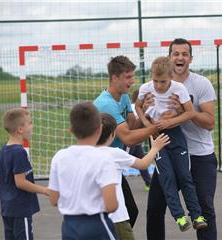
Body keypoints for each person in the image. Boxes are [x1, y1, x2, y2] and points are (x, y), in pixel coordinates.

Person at [145, 38, 219, 240]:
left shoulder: (201, 84)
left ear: (191, 59)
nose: (180, 57)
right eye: (175, 54)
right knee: (154, 209)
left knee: (204, 209)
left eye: (184, 54)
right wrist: (146, 112)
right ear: (169, 58)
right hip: (168, 152)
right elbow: (145, 115)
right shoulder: (155, 85)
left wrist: (186, 112)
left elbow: (210, 122)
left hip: (199, 155)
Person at [136, 56, 207, 232]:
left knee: (184, 176)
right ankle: (180, 217)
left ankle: (196, 215)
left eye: (163, 81)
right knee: (166, 177)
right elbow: (137, 107)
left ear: (171, 77)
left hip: (175, 135)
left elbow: (190, 113)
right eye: (155, 81)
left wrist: (170, 122)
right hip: (157, 137)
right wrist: (147, 124)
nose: (159, 85)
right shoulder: (145, 88)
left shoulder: (179, 88)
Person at [93, 55, 158, 228]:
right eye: (128, 77)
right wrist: (156, 128)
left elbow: (132, 126)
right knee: (119, 214)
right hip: (99, 167)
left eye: (133, 76)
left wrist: (144, 109)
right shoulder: (106, 104)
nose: (133, 81)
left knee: (128, 212)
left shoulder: (123, 97)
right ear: (115, 78)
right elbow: (128, 138)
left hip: (112, 164)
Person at [48, 102, 119, 240]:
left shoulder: (60, 157)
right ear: (99, 129)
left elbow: (54, 199)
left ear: (71, 130)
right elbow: (111, 205)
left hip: (69, 227)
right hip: (97, 225)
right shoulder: (104, 158)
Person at [97, 112, 169, 240]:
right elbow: (143, 164)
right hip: (117, 217)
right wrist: (155, 148)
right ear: (113, 134)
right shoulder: (115, 153)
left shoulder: (85, 154)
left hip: (95, 218)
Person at [0, 107, 50, 240]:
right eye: (30, 123)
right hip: (20, 209)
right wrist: (45, 190)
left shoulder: (4, 149)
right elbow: (20, 182)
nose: (32, 126)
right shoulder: (19, 152)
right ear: (20, 129)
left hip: (7, 208)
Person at [129, 89, 152, 192]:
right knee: (141, 163)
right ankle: (149, 183)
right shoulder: (135, 108)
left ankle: (149, 183)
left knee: (142, 163)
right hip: (132, 142)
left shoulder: (132, 107)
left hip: (136, 142)